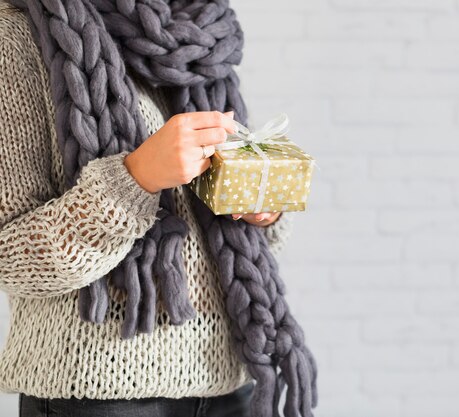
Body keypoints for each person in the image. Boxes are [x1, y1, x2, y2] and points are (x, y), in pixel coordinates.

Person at [0, 1, 295, 416]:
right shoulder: (16, 36)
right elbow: (9, 257)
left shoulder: (202, 37)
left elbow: (223, 242)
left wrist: (260, 209)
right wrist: (133, 179)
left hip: (230, 379)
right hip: (99, 391)